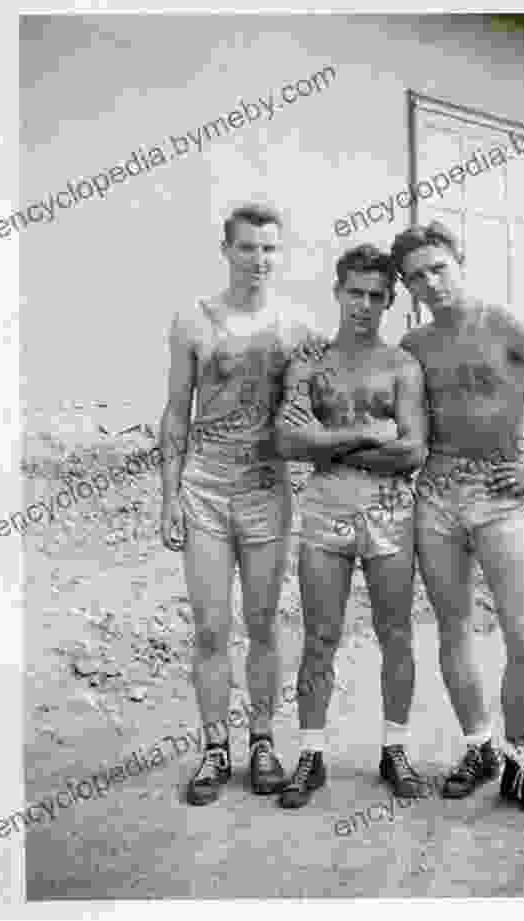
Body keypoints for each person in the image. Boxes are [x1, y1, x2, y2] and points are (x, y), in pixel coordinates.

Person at [392, 220, 524, 819]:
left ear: (460, 261)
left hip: (503, 492)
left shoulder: (504, 323)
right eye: (417, 276)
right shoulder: (415, 347)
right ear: (407, 286)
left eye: (439, 268)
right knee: (453, 631)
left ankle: (521, 764)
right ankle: (479, 748)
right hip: (438, 497)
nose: (431, 283)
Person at [159, 203, 325, 805]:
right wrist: (168, 495)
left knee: (261, 625)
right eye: (248, 247)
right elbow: (177, 411)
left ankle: (261, 739)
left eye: (269, 249)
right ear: (226, 250)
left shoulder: (297, 328)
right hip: (203, 487)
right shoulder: (193, 322)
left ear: (280, 255)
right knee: (209, 627)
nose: (259, 259)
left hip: (264, 491)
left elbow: (312, 410)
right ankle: (213, 747)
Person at [274, 244, 427, 808]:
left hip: (389, 512)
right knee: (320, 637)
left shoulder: (401, 365)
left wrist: (328, 445)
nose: (364, 305)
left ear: (389, 301)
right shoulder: (310, 361)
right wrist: (367, 436)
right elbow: (287, 441)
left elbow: (412, 451)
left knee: (396, 635)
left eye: (376, 296)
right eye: (354, 293)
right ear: (337, 292)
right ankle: (310, 754)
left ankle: (395, 749)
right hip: (324, 514)